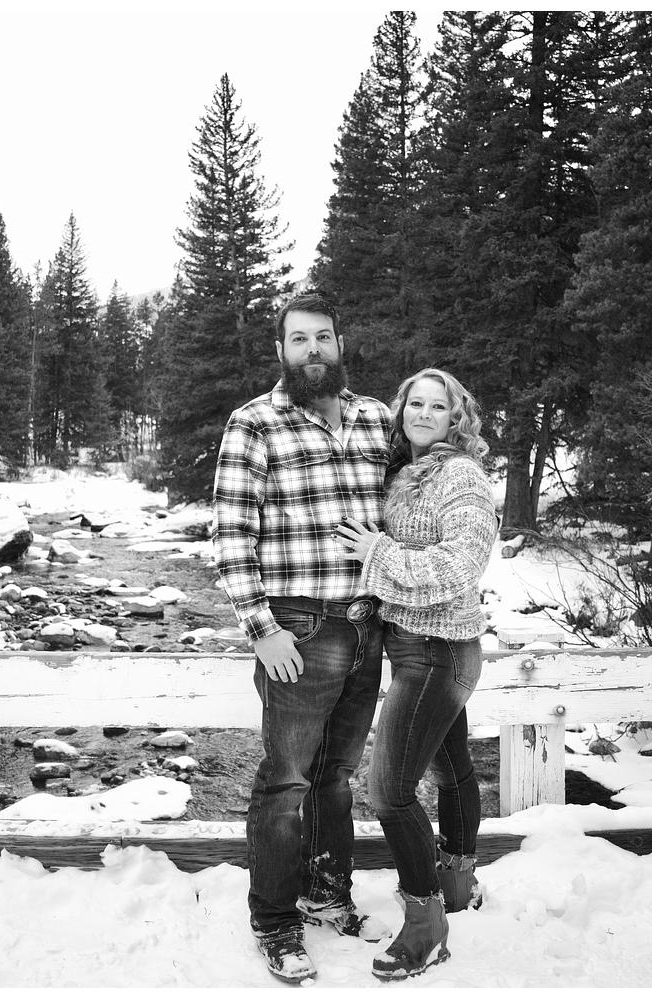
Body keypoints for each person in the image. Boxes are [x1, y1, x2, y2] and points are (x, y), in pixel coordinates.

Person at [212, 291, 406, 983]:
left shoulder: (377, 418)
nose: (313, 350)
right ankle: (274, 920)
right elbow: (231, 534)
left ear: (340, 343)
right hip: (298, 625)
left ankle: (327, 894)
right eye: (299, 339)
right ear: (281, 350)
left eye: (323, 337)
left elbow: (411, 499)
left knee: (336, 776)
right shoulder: (254, 423)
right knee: (286, 779)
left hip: (367, 622)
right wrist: (261, 628)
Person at [335, 367, 497, 981]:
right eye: (415, 403)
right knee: (453, 769)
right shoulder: (407, 471)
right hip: (420, 647)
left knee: (389, 791)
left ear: (457, 417)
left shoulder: (460, 476)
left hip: (437, 652)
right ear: (402, 410)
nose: (424, 414)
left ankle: (427, 927)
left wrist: (377, 552)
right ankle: (456, 883)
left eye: (438, 406)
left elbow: (461, 566)